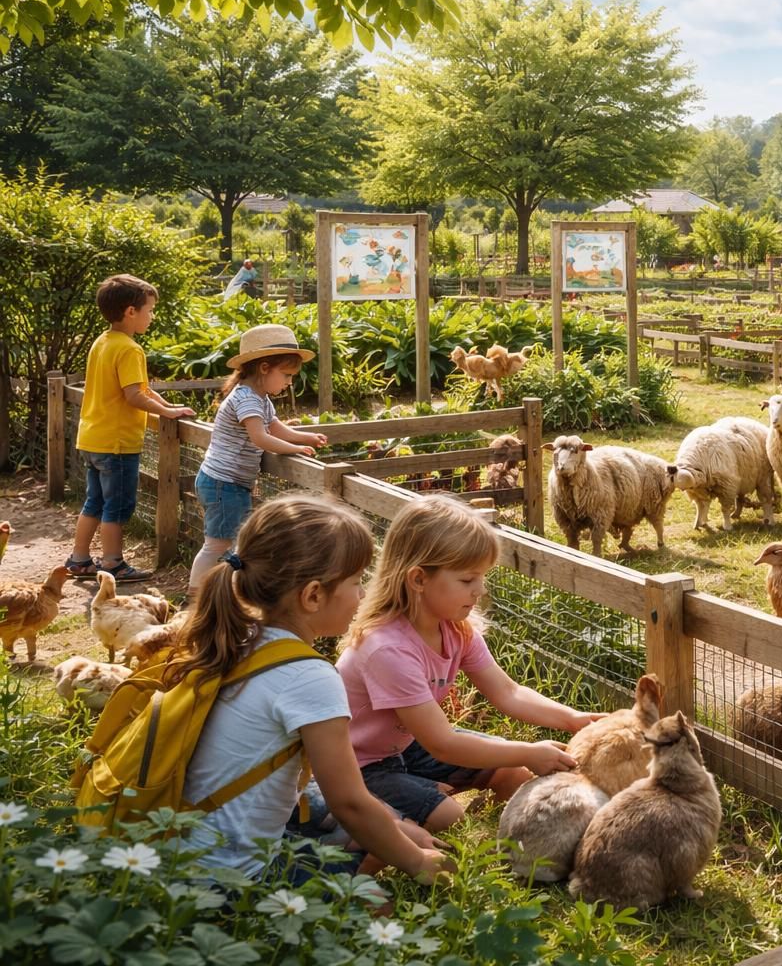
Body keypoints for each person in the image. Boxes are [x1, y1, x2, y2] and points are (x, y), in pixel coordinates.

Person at [179, 493, 452, 885]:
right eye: (357, 582)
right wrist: (419, 864)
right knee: (375, 905)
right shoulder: (309, 677)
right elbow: (351, 804)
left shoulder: (238, 638)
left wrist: (394, 828)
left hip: (183, 847)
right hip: (235, 875)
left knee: (391, 828)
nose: (361, 594)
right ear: (312, 595)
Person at [338, 496, 606, 832]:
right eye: (467, 580)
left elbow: (508, 691)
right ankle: (408, 809)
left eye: (481, 578)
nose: (479, 590)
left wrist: (572, 719)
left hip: (409, 746)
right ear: (419, 579)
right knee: (449, 816)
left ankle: (510, 836)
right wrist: (527, 751)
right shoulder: (387, 649)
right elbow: (443, 743)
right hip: (358, 764)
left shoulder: (455, 629)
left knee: (514, 772)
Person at [65, 275, 196, 583]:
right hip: (118, 443)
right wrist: (167, 411)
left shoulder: (103, 342)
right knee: (118, 506)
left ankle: (80, 559)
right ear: (130, 312)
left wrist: (167, 406)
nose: (151, 316)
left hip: (93, 438)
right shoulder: (129, 349)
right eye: (149, 310)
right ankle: (112, 563)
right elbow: (134, 394)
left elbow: (142, 389)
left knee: (93, 502)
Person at [188, 325, 329, 597]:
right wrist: (293, 449)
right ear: (265, 368)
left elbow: (275, 428)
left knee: (231, 544)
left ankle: (222, 595)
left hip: (227, 482)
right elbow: (261, 438)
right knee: (217, 545)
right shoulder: (246, 399)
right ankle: (195, 599)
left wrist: (305, 438)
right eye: (286, 375)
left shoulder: (260, 399)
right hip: (223, 483)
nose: (289, 383)